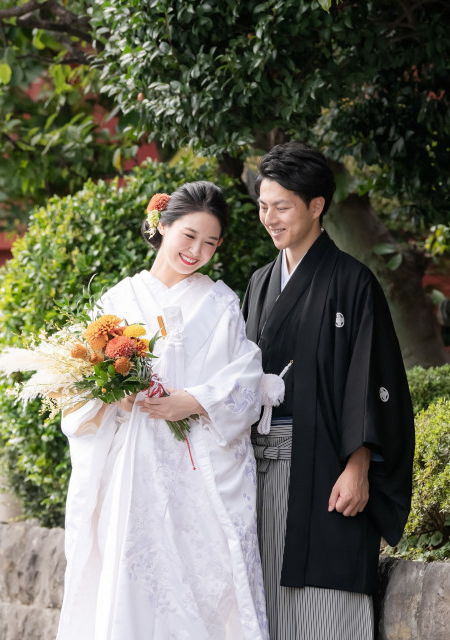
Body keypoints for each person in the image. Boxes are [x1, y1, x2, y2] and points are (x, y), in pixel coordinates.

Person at [57, 181, 269, 640]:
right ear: (163, 226)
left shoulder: (221, 303)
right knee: (132, 577)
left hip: (198, 466)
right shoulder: (116, 303)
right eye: (188, 235)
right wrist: (112, 393)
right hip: (132, 468)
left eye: (210, 242)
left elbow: (245, 376)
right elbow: (80, 390)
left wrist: (191, 401)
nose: (196, 250)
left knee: (200, 580)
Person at [242, 143, 415, 640]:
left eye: (281, 206)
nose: (269, 218)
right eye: (262, 206)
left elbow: (372, 380)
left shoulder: (352, 282)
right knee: (262, 598)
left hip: (326, 470)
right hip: (256, 468)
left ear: (316, 205)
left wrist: (359, 466)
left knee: (325, 599)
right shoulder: (259, 283)